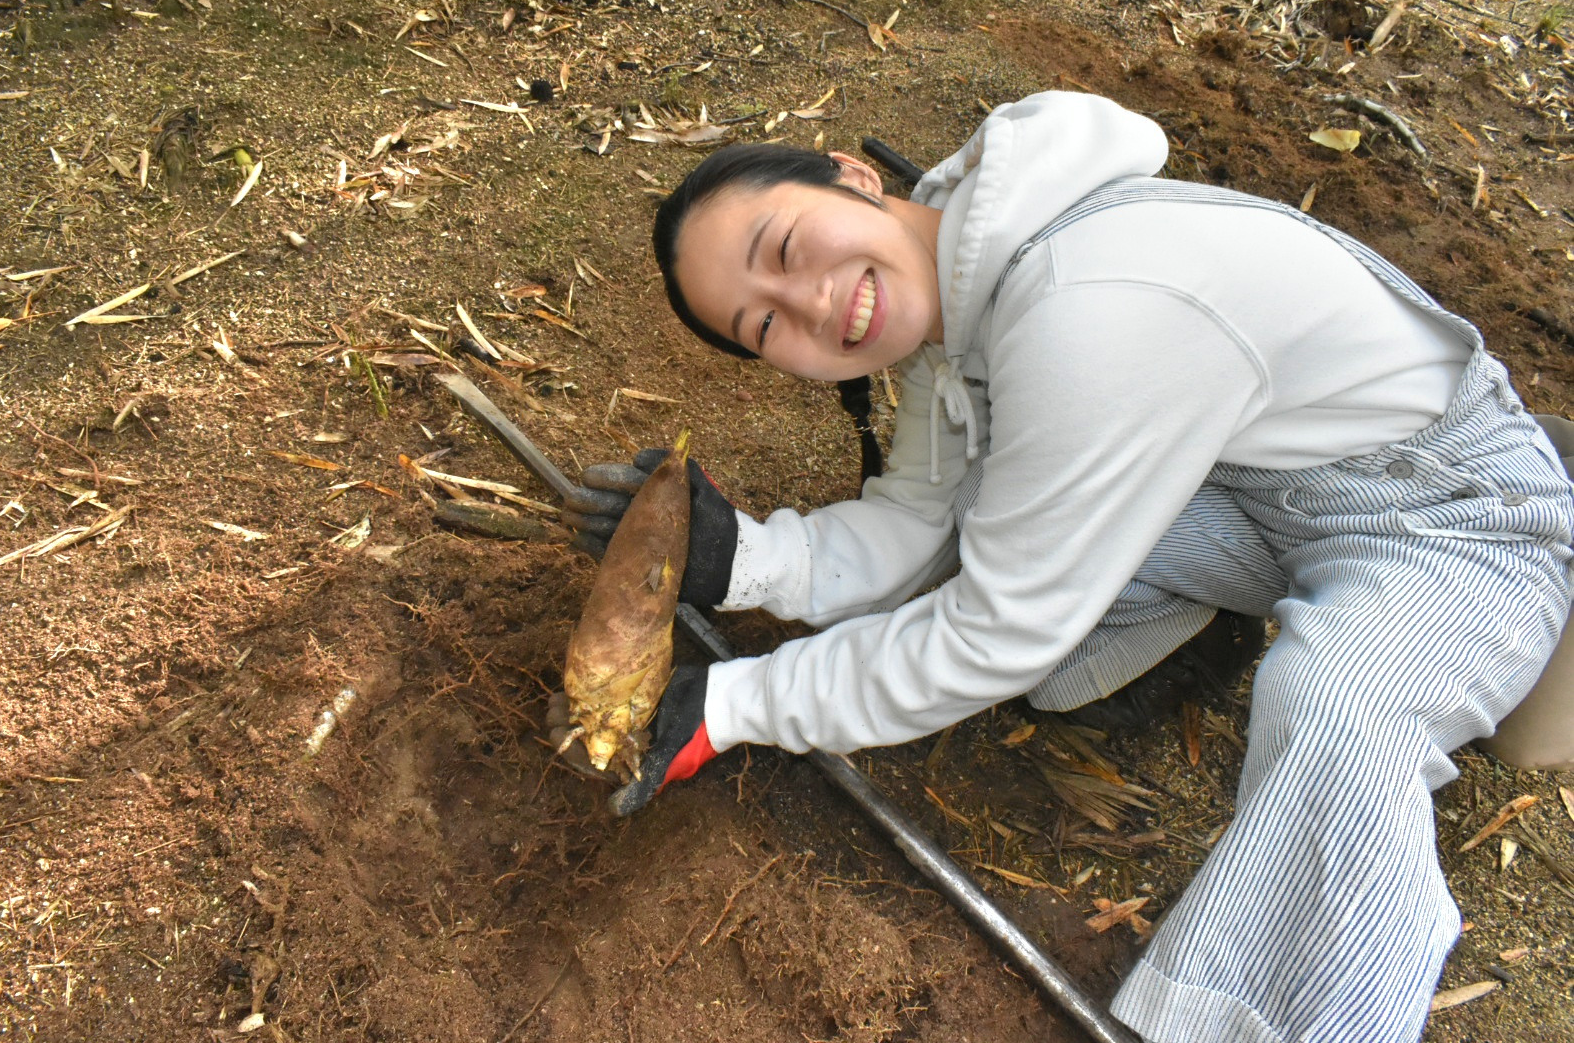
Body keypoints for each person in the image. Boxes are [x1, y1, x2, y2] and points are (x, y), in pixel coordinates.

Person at [562, 91, 1574, 1043]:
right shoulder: (951, 297)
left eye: (784, 248)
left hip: (1453, 515)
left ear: (849, 177)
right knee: (1001, 541)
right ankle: (1181, 604)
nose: (812, 302)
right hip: (1249, 486)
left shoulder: (1088, 304)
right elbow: (923, 518)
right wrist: (747, 561)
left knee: (1334, 706)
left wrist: (739, 705)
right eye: (766, 325)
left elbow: (991, 633)